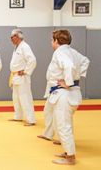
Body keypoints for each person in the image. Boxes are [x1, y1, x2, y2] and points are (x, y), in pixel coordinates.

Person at [43, 30, 89, 165]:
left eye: (52, 40)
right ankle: (68, 151)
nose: (51, 42)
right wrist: (76, 80)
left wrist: (68, 83)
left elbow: (68, 66)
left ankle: (70, 157)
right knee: (63, 124)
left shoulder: (61, 52)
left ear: (56, 41)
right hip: (69, 93)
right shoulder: (72, 51)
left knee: (63, 126)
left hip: (65, 94)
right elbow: (85, 61)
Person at [9, 29, 37, 126]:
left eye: (13, 36)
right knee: (16, 98)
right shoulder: (17, 47)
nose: (11, 38)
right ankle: (18, 116)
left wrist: (25, 71)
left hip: (22, 77)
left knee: (25, 98)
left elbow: (32, 60)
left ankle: (31, 119)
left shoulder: (25, 46)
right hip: (15, 76)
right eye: (11, 37)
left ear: (18, 36)